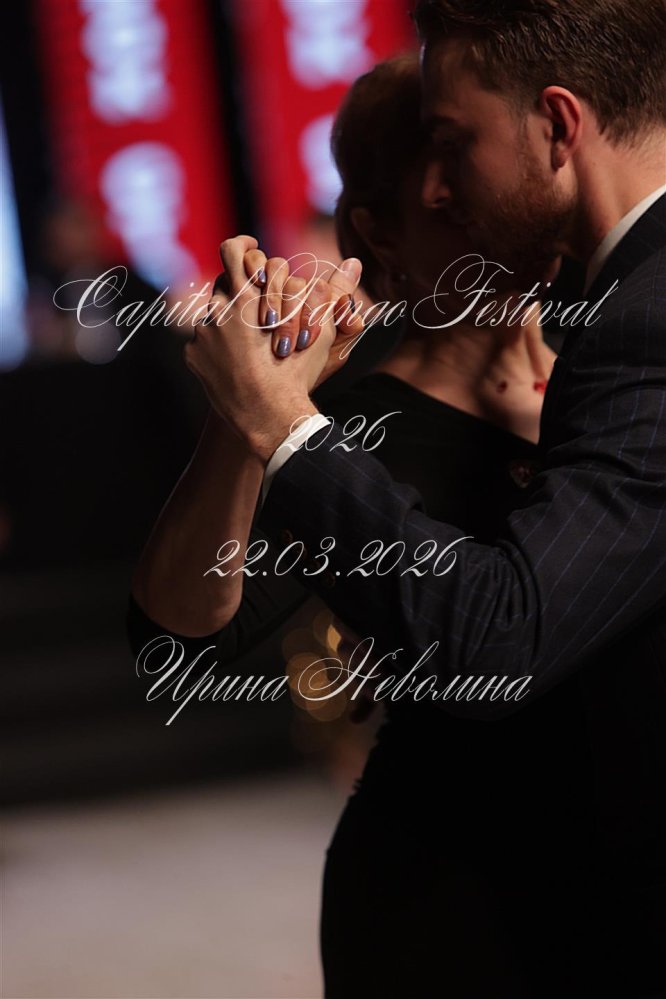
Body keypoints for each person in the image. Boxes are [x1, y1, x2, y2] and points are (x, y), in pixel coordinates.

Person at [177, 2, 666, 996]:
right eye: (429, 173)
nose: (455, 194)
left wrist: (279, 421)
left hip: (598, 889)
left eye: (458, 147)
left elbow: (507, 627)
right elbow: (183, 635)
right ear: (378, 231)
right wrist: (259, 417)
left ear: (558, 126)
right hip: (461, 898)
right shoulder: (373, 416)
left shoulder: (614, 334)